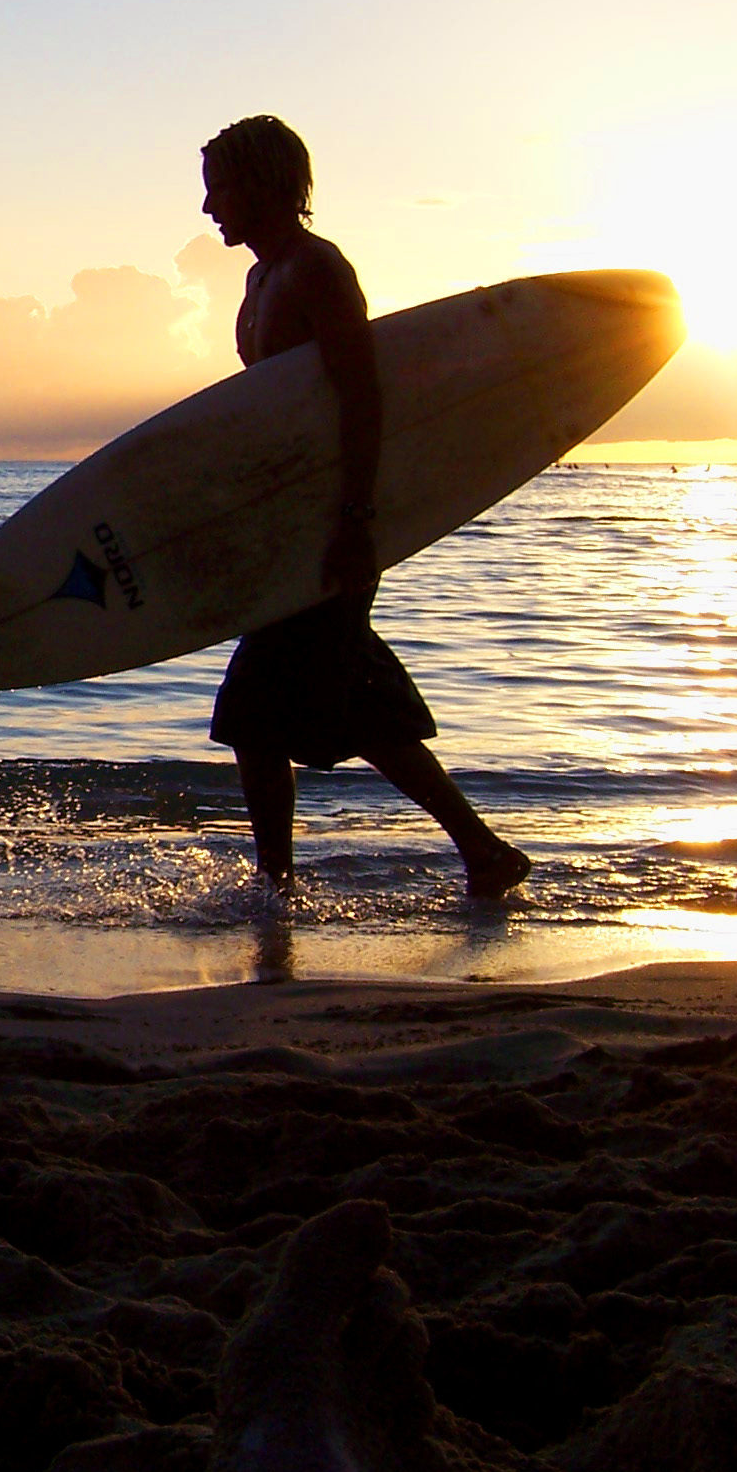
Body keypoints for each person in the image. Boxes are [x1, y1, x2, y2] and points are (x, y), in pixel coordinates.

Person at [200, 115, 530, 898]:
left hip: (332, 524)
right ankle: (482, 853)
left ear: (262, 184)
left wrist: (354, 522)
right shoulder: (260, 279)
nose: (209, 207)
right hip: (294, 524)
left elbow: (362, 397)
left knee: (257, 713)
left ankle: (279, 886)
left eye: (220, 189)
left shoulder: (317, 269)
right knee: (348, 705)